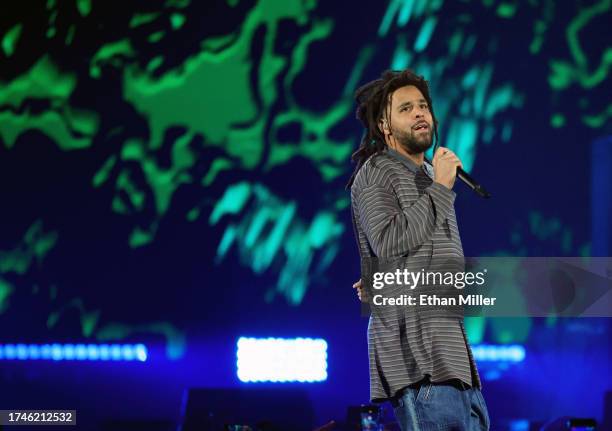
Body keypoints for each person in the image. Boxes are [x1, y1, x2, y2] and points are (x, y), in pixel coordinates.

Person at [347, 69, 490, 430]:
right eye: (406, 108)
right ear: (384, 125)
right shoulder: (376, 172)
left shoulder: (430, 174)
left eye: (423, 105)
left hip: (453, 356)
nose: (420, 113)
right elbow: (389, 240)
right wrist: (442, 185)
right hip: (418, 359)